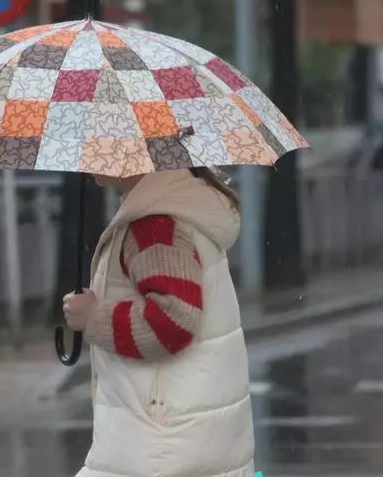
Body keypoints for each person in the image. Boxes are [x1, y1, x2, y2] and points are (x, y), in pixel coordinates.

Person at [64, 167, 254, 477]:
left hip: (158, 441)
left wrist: (93, 316)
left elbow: (172, 321)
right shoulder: (178, 208)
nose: (88, 158)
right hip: (187, 436)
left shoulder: (155, 225)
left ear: (131, 152)